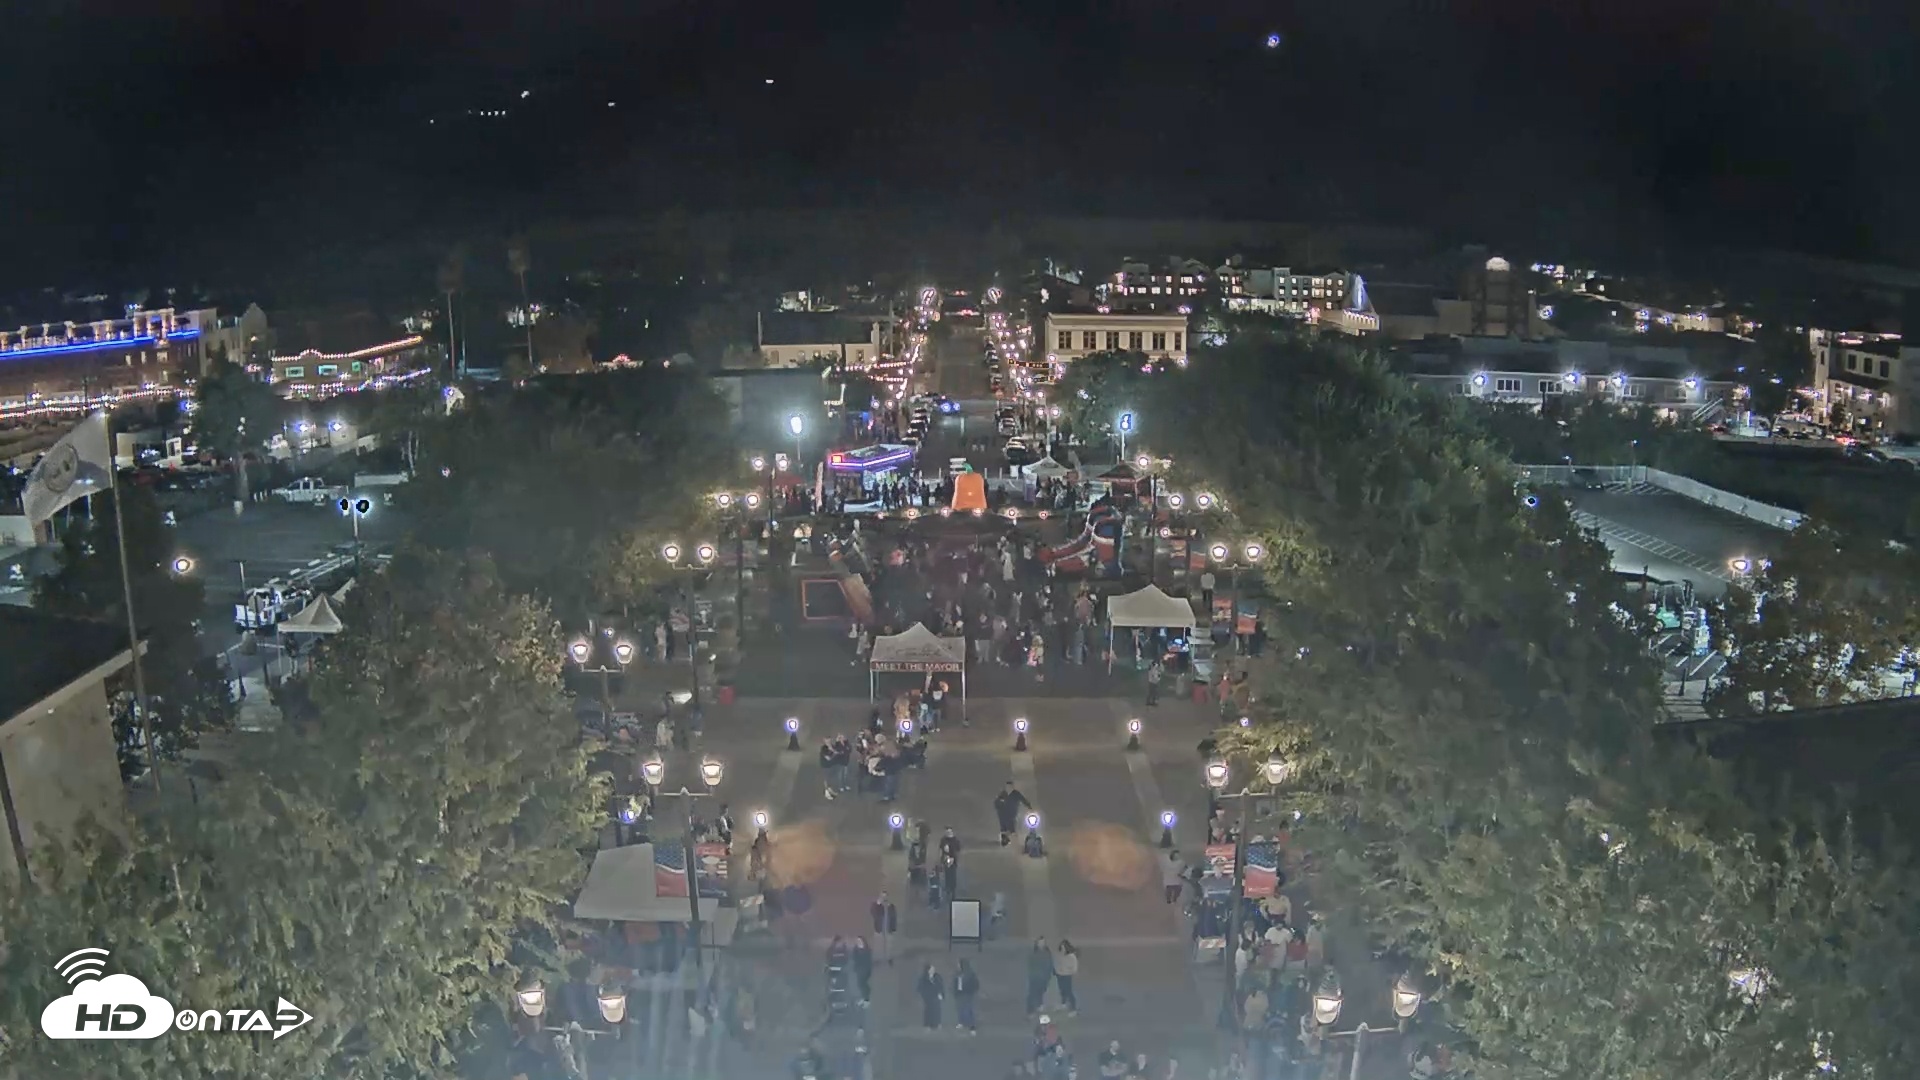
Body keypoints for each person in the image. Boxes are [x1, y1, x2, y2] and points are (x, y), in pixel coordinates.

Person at [995, 781, 1033, 846]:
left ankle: (1013, 840)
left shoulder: (1016, 794)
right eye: (1007, 787)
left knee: (1012, 827)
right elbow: (996, 803)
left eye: (1010, 787)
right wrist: (999, 805)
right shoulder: (1002, 794)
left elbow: (1023, 800)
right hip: (1003, 814)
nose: (1009, 788)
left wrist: (1029, 806)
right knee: (1004, 827)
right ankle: (1005, 839)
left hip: (1012, 814)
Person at [1025, 938, 1054, 1014]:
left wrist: (1049, 975)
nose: (1041, 944)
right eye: (1040, 943)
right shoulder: (1033, 954)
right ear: (1037, 944)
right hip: (1035, 976)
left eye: (1043, 943)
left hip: (1043, 977)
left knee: (1040, 992)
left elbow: (1050, 965)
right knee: (1032, 993)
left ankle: (1039, 1005)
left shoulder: (1047, 953)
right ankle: (1030, 1010)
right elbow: (1030, 965)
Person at [953, 958, 980, 1034]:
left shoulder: (970, 974)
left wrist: (971, 991)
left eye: (959, 964)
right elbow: (955, 982)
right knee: (960, 1009)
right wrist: (955, 991)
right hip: (959, 993)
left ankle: (972, 1026)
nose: (957, 966)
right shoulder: (958, 973)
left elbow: (976, 984)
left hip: (967, 994)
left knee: (969, 1009)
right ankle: (961, 1022)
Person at [1053, 940, 1080, 1015]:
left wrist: (1066, 970)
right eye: (1061, 948)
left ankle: (1073, 1009)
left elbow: (1074, 969)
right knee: (1062, 991)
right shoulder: (1060, 955)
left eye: (1064, 948)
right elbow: (1057, 964)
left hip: (1067, 976)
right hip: (1060, 976)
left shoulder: (1071, 957)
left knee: (1069, 992)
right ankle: (1063, 1004)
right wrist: (1057, 970)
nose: (1063, 950)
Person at [916, 962, 945, 1030]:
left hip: (936, 997)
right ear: (928, 970)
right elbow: (920, 988)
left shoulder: (937, 977)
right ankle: (928, 1025)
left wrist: (941, 994)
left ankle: (937, 1024)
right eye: (931, 969)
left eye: (933, 969)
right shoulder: (923, 978)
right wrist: (924, 995)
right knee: (928, 1011)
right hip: (928, 998)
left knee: (937, 1011)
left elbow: (941, 986)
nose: (933, 970)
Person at [851, 936, 874, 1004]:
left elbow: (869, 960)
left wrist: (868, 969)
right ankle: (864, 998)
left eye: (860, 941)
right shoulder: (855, 949)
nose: (858, 942)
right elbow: (854, 959)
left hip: (865, 969)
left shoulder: (867, 950)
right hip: (859, 969)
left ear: (863, 941)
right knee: (860, 984)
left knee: (862, 984)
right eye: (857, 941)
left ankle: (866, 999)